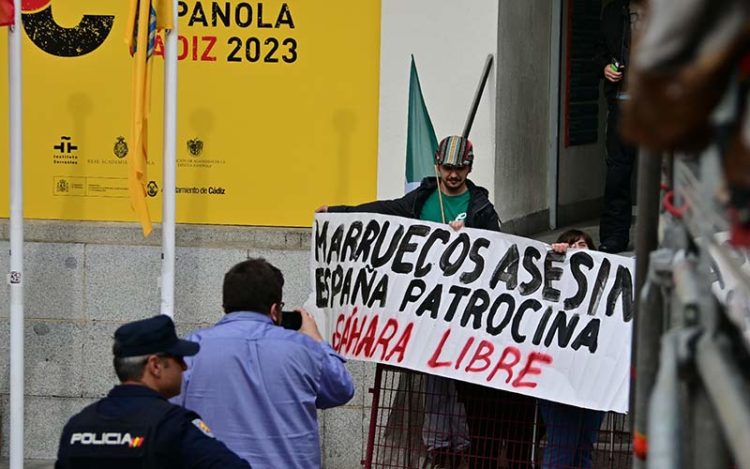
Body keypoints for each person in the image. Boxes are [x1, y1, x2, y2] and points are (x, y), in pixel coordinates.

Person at [318, 135, 535, 469]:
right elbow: (380, 212)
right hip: (427, 314)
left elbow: (498, 250)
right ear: (438, 165)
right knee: (433, 382)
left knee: (462, 387)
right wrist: (338, 214)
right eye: (448, 167)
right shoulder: (419, 200)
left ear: (469, 168)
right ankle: (439, 450)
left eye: (460, 168)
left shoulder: (481, 209)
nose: (453, 174)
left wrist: (473, 237)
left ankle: (462, 447)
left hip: (464, 318)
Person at [173, 258, 355, 469]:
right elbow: (342, 389)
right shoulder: (305, 349)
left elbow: (169, 414)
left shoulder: (190, 349)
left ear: (225, 306)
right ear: (275, 310)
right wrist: (317, 340)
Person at [55, 315, 250, 469]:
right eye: (178, 358)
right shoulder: (173, 425)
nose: (184, 366)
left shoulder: (78, 426)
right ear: (155, 365)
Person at [538, 229, 606, 469]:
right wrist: (555, 259)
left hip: (594, 383)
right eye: (571, 245)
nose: (577, 249)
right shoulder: (552, 285)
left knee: (583, 449)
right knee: (562, 448)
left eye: (582, 245)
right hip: (560, 380)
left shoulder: (607, 286)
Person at [594, 0, 643, 253]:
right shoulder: (613, 11)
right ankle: (614, 237)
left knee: (671, 173)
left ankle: (674, 238)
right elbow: (598, 51)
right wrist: (605, 68)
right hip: (623, 102)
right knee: (618, 172)